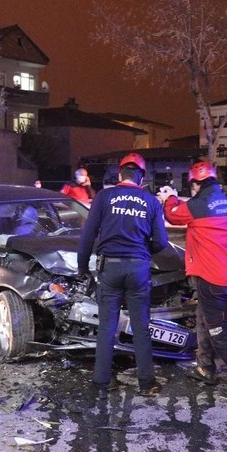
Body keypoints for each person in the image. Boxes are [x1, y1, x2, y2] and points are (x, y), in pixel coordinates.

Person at [158, 161, 227, 403]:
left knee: (219, 332)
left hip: (213, 278)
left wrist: (169, 197)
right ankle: (205, 368)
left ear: (196, 184)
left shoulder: (199, 204)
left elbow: (173, 214)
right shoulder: (226, 201)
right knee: (204, 318)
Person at [78, 153, 168, 399]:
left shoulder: (104, 197)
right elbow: (161, 241)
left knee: (107, 327)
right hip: (138, 269)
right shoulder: (150, 201)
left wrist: (82, 267)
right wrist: (142, 253)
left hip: (110, 268)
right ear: (141, 178)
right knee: (141, 327)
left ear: (120, 175)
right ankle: (147, 383)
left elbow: (87, 236)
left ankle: (101, 383)